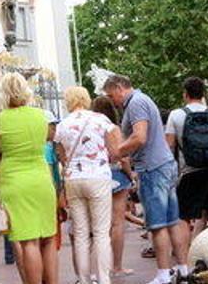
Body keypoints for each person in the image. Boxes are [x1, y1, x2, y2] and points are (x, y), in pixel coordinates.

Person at [104, 75, 189, 284]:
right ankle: (182, 269)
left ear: (119, 87)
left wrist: (117, 151)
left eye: (111, 94)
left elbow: (139, 136)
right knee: (172, 220)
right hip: (164, 164)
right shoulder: (143, 100)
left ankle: (163, 274)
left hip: (152, 168)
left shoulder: (136, 103)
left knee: (158, 224)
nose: (111, 100)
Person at [0, 73, 58, 284]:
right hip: (42, 179)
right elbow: (47, 140)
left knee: (28, 241)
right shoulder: (41, 116)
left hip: (14, 181)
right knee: (49, 238)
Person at [55, 86, 122, 284]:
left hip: (73, 179)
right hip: (98, 177)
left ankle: (84, 280)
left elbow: (62, 156)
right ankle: (103, 279)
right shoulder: (101, 120)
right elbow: (115, 151)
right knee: (101, 233)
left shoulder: (62, 125)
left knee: (81, 233)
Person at [164, 79, 208, 239]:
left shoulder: (176, 115)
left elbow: (168, 146)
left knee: (183, 216)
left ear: (185, 94)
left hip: (189, 171)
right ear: (203, 94)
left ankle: (185, 258)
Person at [91, 95, 136, 278]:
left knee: (99, 225)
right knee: (118, 223)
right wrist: (129, 175)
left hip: (96, 177)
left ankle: (99, 270)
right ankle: (117, 266)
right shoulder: (113, 128)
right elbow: (122, 156)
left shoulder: (91, 127)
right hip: (116, 175)